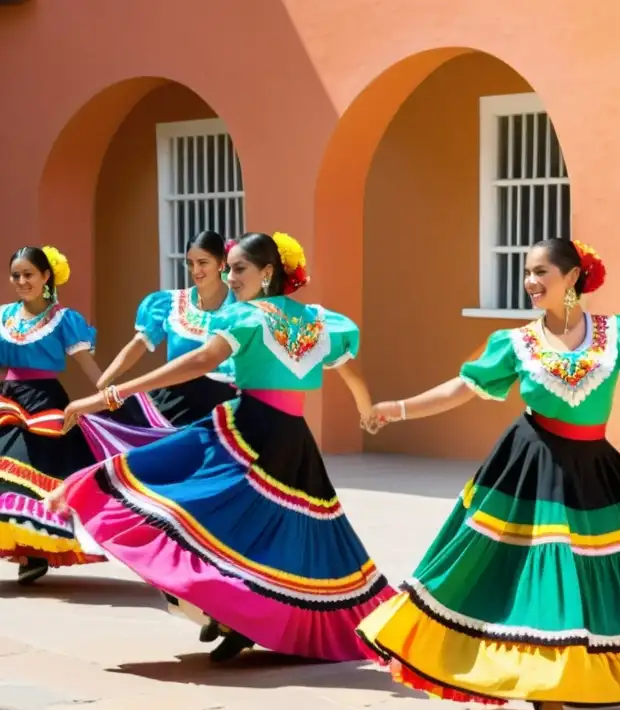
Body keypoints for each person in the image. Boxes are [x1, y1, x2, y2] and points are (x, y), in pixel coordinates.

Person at [356, 237, 620, 710]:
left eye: (541, 272)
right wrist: (399, 408)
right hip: (530, 465)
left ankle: (571, 680)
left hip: (594, 467)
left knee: (611, 573)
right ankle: (548, 695)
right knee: (540, 574)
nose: (530, 282)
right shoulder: (515, 342)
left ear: (572, 277)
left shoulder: (618, 336)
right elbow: (463, 388)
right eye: (527, 272)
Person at [51, 232, 395, 662]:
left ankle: (235, 614)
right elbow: (351, 373)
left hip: (249, 430)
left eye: (239, 268)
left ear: (268, 272)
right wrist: (368, 411)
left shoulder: (246, 318)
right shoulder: (322, 322)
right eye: (228, 268)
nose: (230, 277)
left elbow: (197, 362)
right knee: (255, 529)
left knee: (207, 511)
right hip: (289, 436)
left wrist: (110, 395)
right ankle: (234, 614)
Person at [0, 246, 107, 584]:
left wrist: (115, 395)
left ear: (46, 277)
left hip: (45, 404)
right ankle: (27, 552)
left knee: (31, 471)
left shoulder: (64, 319)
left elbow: (89, 368)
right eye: (16, 275)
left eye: (28, 274)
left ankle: (33, 552)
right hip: (8, 400)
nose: (21, 281)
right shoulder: (4, 315)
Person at [79, 231, 238, 458]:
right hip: (176, 402)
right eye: (190, 263)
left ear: (222, 263)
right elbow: (137, 346)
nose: (196, 271)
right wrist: (104, 385)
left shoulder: (241, 307)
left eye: (203, 263)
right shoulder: (170, 304)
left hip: (222, 405)